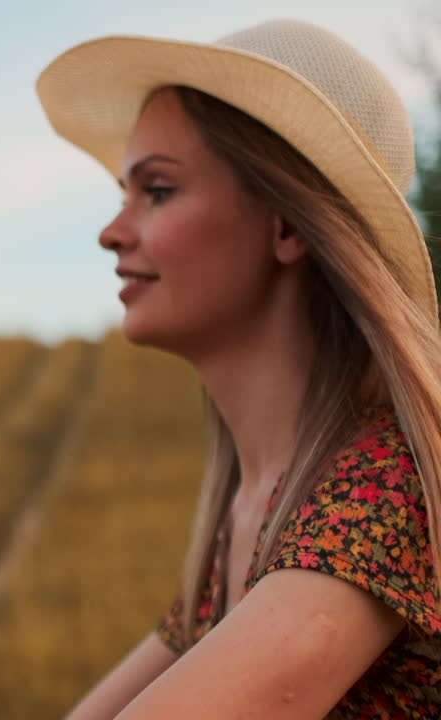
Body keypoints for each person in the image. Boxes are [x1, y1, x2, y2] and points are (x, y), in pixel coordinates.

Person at [36, 19, 441, 719]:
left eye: (156, 190)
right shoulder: (250, 513)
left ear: (286, 225)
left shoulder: (380, 493)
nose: (112, 231)